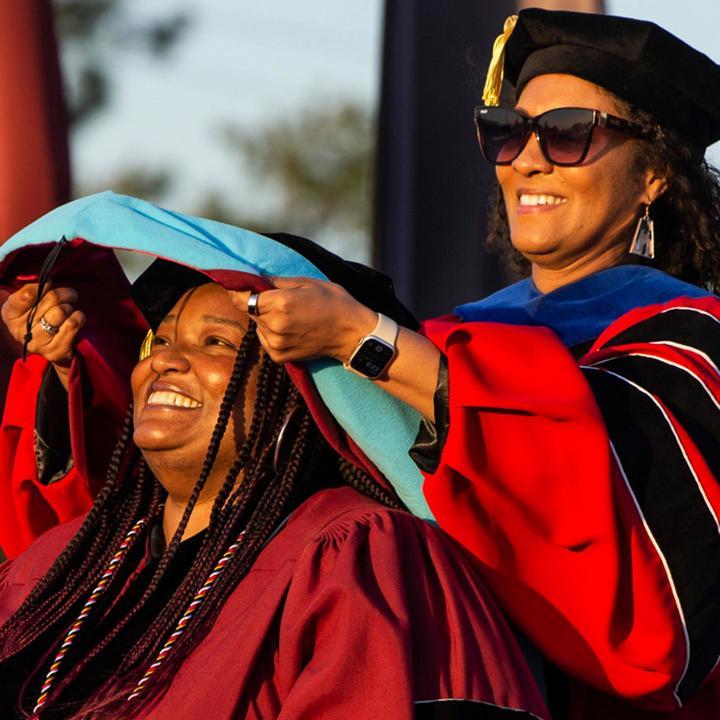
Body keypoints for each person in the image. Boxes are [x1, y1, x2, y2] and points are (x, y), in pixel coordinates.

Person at [216, 9, 720, 720]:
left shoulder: (695, 346)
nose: (528, 160)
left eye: (570, 131)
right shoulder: (456, 335)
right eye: (509, 132)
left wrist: (369, 341)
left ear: (655, 176)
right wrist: (73, 363)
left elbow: (637, 591)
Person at [0, 198, 548, 719]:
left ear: (301, 390)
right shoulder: (57, 566)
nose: (166, 361)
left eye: (216, 343)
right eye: (159, 341)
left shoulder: (353, 554)